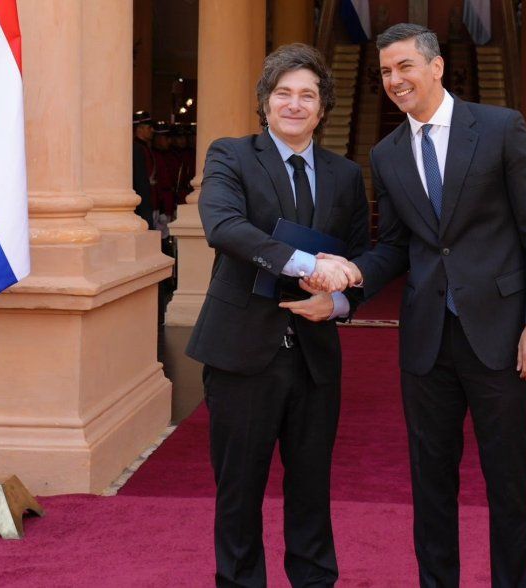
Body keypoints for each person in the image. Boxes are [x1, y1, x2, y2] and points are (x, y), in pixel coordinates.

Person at [312, 23, 526, 588]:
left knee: (507, 482)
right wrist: (346, 284)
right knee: (430, 484)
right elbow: (398, 245)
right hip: (425, 343)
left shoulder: (500, 129)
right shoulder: (388, 152)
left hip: (501, 335)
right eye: (385, 72)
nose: (394, 80)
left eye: (404, 67)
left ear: (436, 67)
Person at [185, 43, 369, 587]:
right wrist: (308, 263)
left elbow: (360, 259)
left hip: (315, 360)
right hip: (241, 353)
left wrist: (336, 299)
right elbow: (224, 226)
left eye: (307, 95)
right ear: (265, 102)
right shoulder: (229, 154)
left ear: (322, 108)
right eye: (283, 93)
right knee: (239, 489)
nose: (295, 104)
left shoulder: (345, 174)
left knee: (311, 488)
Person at [132, 110, 156, 229]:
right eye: (149, 127)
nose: (152, 130)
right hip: (141, 201)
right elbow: (140, 180)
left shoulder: (144, 148)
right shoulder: (137, 149)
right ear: (139, 129)